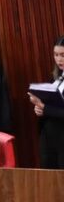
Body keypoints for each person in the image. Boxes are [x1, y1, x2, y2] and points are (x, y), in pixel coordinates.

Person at [27, 35, 64, 169]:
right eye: (56, 55)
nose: (59, 59)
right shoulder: (56, 78)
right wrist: (39, 109)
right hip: (49, 137)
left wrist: (44, 107)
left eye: (62, 55)